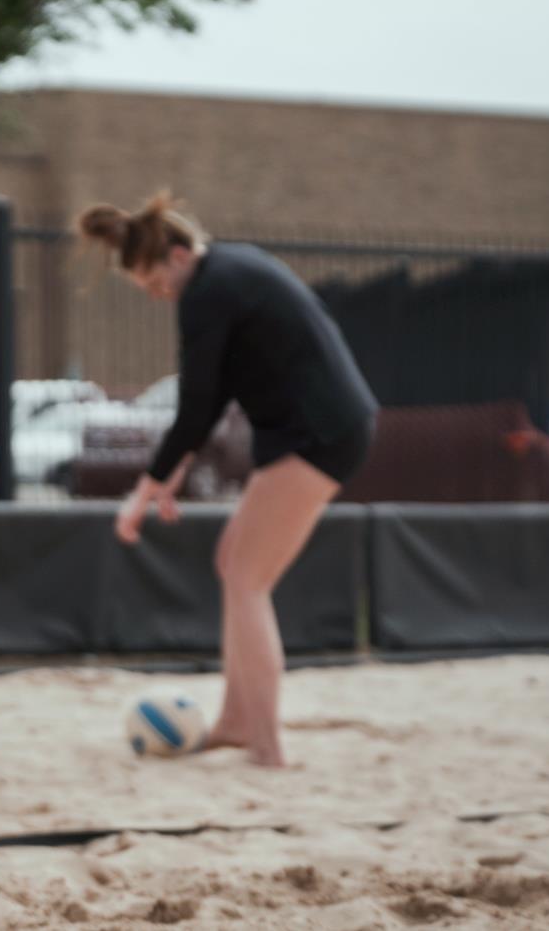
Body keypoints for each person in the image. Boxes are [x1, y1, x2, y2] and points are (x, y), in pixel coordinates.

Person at [79, 193, 376, 768]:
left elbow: (196, 404)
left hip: (320, 433)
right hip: (320, 428)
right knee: (232, 561)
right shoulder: (229, 272)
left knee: (247, 578)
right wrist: (171, 474)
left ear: (178, 255)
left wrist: (144, 491)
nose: (158, 296)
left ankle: (266, 744)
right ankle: (237, 723)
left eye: (156, 283)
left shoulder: (209, 290)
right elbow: (211, 396)